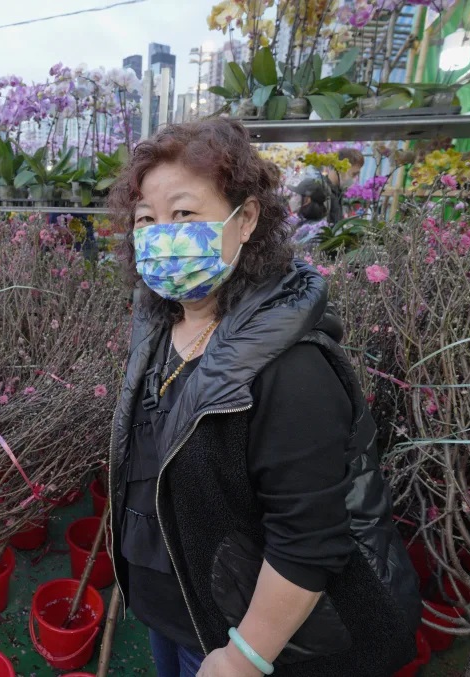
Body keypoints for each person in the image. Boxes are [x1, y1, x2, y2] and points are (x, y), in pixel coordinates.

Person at [108, 118, 420, 677]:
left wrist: (245, 656)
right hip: (174, 605)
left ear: (245, 218)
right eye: (146, 220)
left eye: (184, 215)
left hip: (239, 635)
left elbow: (307, 538)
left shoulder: (292, 366)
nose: (162, 236)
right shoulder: (160, 324)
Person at [323, 148, 364, 224]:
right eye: (354, 174)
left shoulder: (337, 192)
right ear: (340, 169)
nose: (354, 179)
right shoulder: (323, 193)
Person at [289, 178, 330, 245]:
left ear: (307, 200)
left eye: (296, 195)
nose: (292, 199)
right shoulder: (306, 222)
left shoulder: (315, 229)